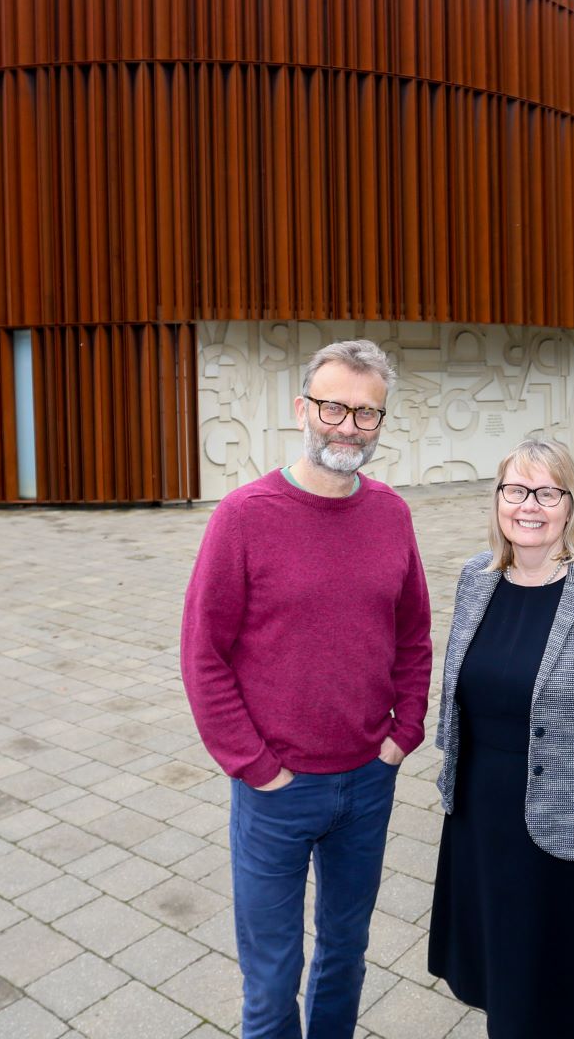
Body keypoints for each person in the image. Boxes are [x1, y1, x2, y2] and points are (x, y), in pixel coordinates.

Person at [180, 338, 433, 1039]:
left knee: (346, 956)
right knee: (270, 981)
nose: (347, 426)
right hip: (276, 793)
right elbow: (204, 654)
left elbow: (414, 636)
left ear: (381, 422)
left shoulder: (391, 515)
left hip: (367, 780)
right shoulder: (244, 516)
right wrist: (256, 768)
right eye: (333, 407)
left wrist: (401, 734)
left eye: (366, 413)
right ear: (302, 408)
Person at [428, 437, 574, 1038]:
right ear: (498, 500)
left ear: (569, 504)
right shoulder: (474, 580)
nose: (528, 505)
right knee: (507, 986)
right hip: (484, 821)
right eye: (515, 490)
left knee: (571, 996)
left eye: (547, 492)